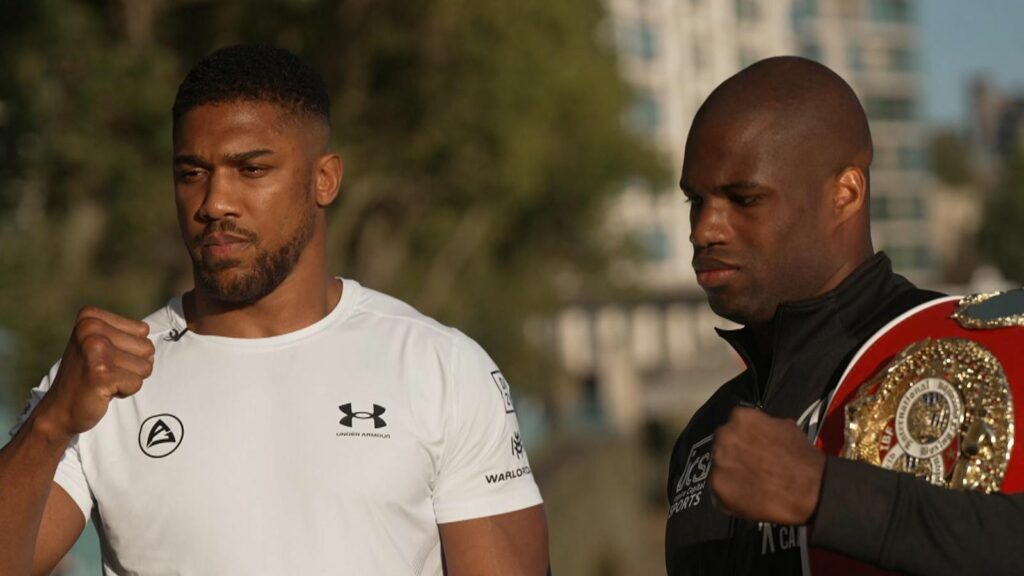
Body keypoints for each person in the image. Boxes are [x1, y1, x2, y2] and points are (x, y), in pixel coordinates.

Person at [0, 44, 548, 575]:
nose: (215, 202)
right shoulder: (103, 381)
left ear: (324, 179)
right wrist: (49, 423)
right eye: (192, 173)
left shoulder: (438, 366)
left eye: (251, 170)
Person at [665, 56, 1024, 575]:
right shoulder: (706, 433)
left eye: (743, 199)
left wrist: (828, 495)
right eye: (695, 201)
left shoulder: (1000, 348)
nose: (705, 230)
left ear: (845, 193)